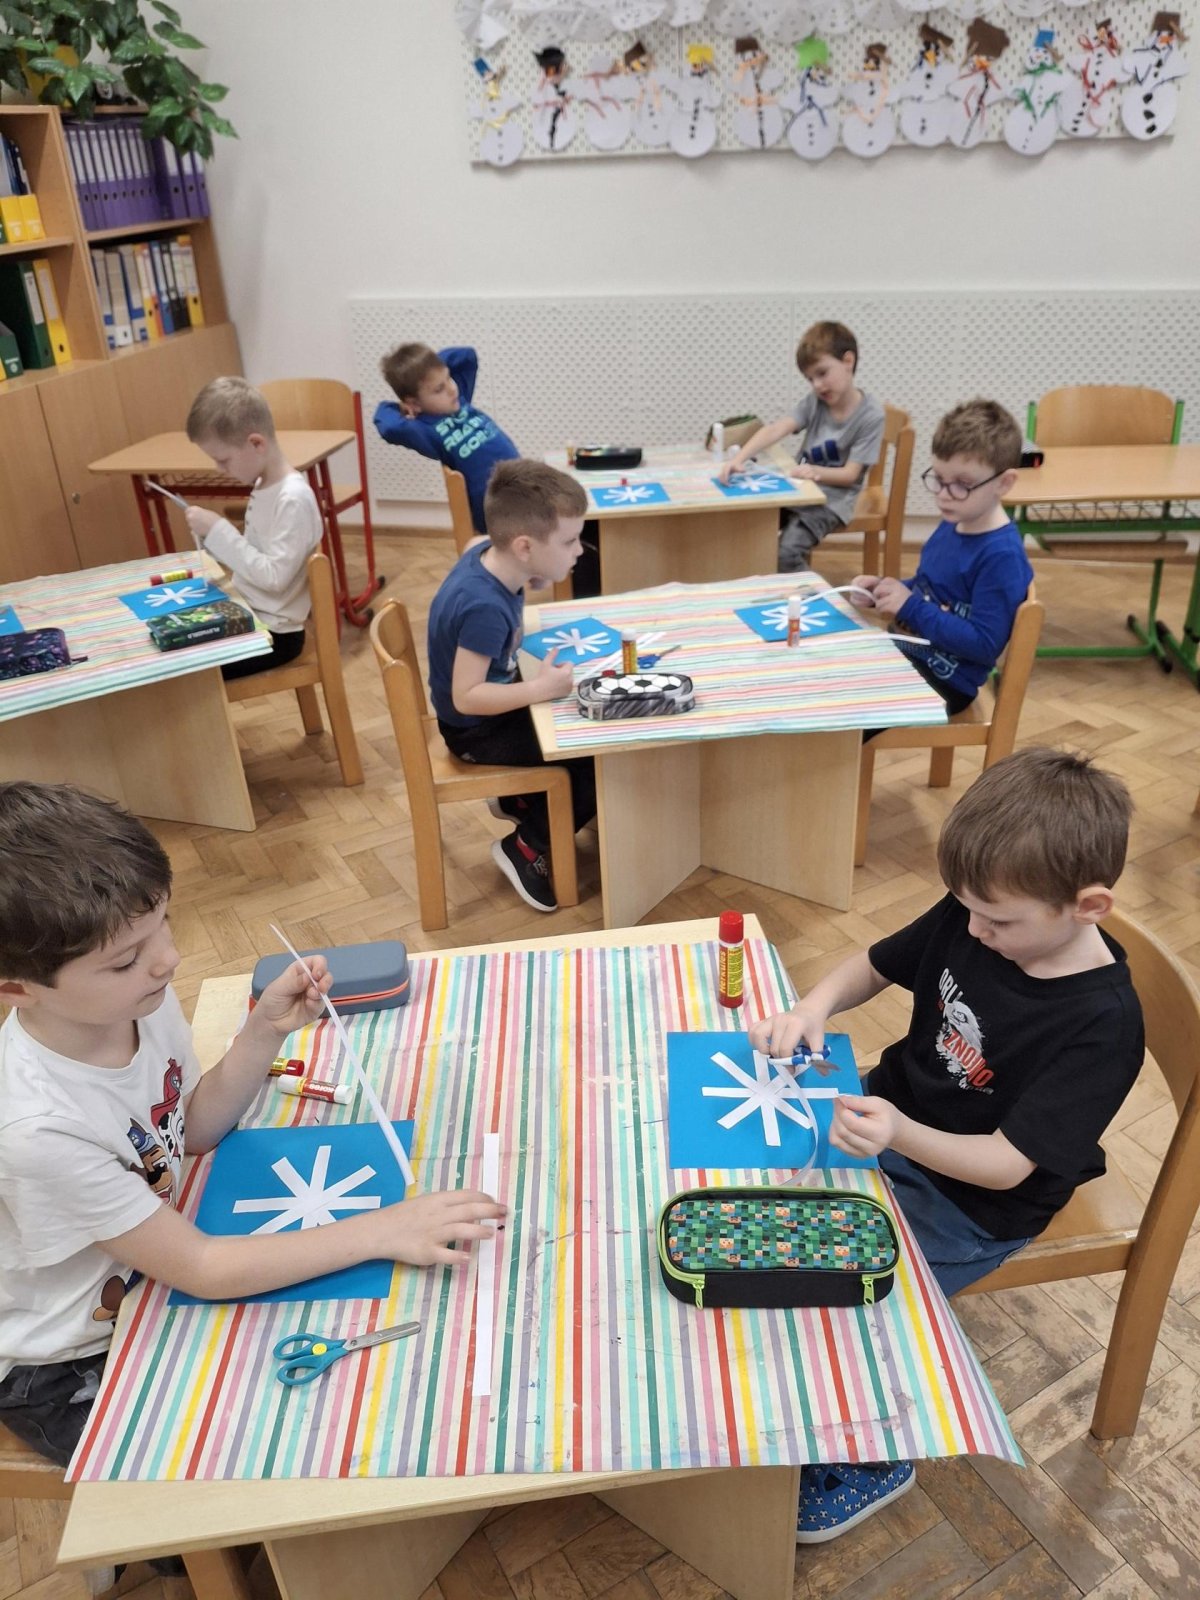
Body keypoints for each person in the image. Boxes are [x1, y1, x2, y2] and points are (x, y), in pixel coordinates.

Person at [0, 782, 504, 1472]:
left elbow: (192, 1132)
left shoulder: (131, 1002)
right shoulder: (36, 1128)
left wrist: (262, 1032)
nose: (167, 959)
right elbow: (204, 1268)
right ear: (16, 988)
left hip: (161, 1257)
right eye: (125, 959)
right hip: (66, 1358)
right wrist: (384, 1230)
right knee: (229, 1466)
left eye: (164, 924)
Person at [749, 747, 1144, 1542]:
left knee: (844, 1293)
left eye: (997, 920)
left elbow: (1004, 1167)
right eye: (966, 909)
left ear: (1089, 905)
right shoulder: (981, 910)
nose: (974, 930)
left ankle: (879, 1457)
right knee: (754, 1208)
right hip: (892, 1120)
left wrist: (898, 1133)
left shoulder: (1102, 1025)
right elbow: (875, 964)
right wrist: (813, 1006)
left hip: (973, 1203)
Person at [428, 459, 596, 913]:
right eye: (568, 541)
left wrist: (534, 572)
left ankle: (519, 798)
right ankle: (526, 847)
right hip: (476, 733)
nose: (579, 551)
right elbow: (467, 696)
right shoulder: (485, 607)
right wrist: (540, 689)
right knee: (593, 759)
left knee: (573, 720)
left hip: (486, 718)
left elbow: (474, 541)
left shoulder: (489, 555)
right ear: (523, 546)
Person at [850, 398, 1034, 716]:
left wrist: (909, 606)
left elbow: (984, 645)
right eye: (938, 479)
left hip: (946, 681)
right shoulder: (955, 521)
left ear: (1004, 483)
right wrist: (885, 589)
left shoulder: (1002, 557)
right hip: (909, 651)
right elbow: (931, 589)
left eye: (962, 484)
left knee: (843, 714)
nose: (944, 495)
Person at [374, 343, 603, 598]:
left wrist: (429, 366)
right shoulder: (423, 429)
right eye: (438, 389)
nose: (451, 388)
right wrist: (401, 407)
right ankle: (541, 570)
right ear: (414, 403)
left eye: (448, 378)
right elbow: (385, 423)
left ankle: (549, 569)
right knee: (551, 526)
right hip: (496, 503)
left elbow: (467, 356)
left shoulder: (459, 400)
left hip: (521, 483)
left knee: (568, 510)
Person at [183, 377, 323, 681]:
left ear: (256, 444)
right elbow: (253, 555)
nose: (220, 469)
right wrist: (210, 538)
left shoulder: (292, 498)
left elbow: (274, 578)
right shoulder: (265, 485)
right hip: (250, 615)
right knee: (175, 643)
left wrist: (219, 531)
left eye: (223, 460)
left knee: (189, 673)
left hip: (276, 636)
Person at [718, 320, 885, 572]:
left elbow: (850, 475)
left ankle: (816, 596)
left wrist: (814, 471)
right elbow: (776, 429)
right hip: (800, 490)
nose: (817, 385)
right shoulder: (815, 402)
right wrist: (738, 459)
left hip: (832, 502)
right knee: (748, 525)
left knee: (785, 555)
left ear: (848, 361)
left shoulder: (871, 415)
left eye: (822, 373)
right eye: (810, 378)